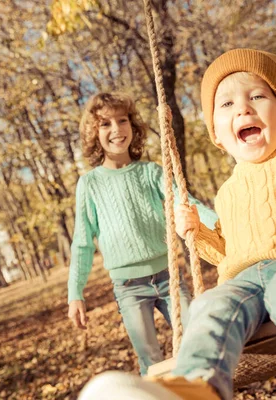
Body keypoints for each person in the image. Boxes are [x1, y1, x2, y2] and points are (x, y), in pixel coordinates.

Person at [79, 48, 276, 400]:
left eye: (258, 96)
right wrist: (196, 233)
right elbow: (227, 253)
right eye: (227, 105)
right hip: (245, 279)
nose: (243, 108)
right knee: (208, 307)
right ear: (217, 132)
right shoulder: (227, 192)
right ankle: (196, 389)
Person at [68, 92, 217, 376]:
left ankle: (200, 391)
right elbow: (83, 243)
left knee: (196, 342)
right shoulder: (89, 184)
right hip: (129, 287)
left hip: (168, 276)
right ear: (93, 133)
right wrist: (75, 292)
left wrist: (220, 225)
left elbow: (186, 202)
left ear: (132, 126)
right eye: (105, 124)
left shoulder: (151, 173)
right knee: (151, 359)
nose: (116, 129)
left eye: (122, 120)